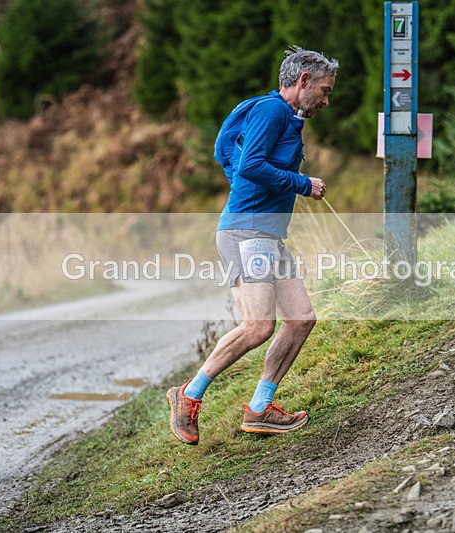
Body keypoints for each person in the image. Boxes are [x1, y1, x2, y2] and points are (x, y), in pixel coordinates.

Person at [167, 47, 338, 445]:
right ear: (303, 82)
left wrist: (244, 182)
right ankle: (188, 395)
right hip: (247, 233)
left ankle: (260, 407)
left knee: (301, 320)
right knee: (259, 325)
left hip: (267, 235)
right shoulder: (271, 111)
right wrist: (302, 183)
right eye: (325, 90)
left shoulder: (281, 116)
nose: (327, 100)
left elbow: (226, 151)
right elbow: (249, 165)